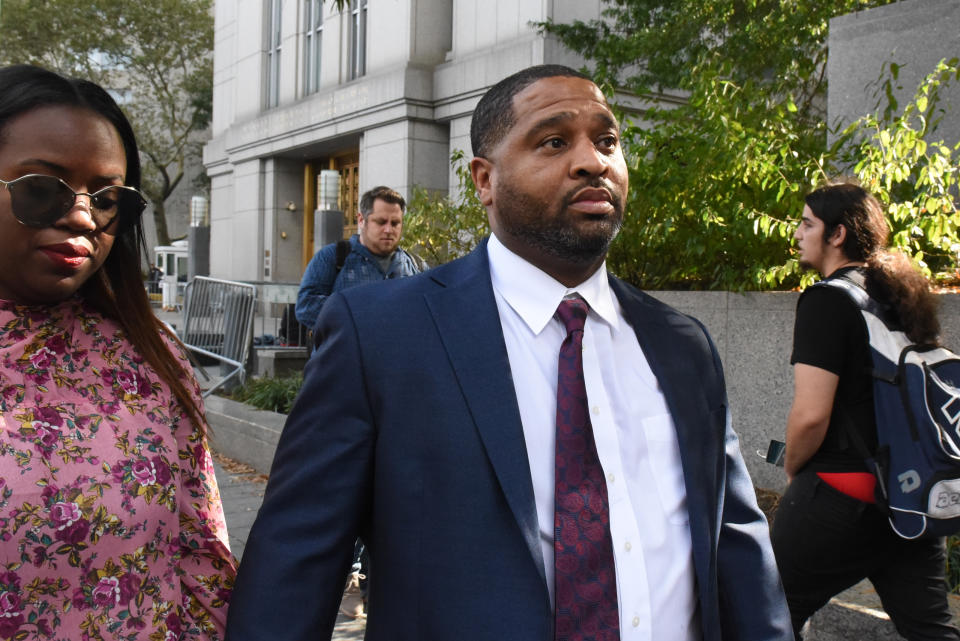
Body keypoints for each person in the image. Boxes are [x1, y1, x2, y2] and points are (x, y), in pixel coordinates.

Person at [227, 64, 790, 641]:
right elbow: (295, 558)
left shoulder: (682, 345)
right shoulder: (381, 336)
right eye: (553, 141)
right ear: (484, 180)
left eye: (608, 141)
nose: (593, 162)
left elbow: (738, 551)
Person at [0, 65, 235, 641]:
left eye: (107, 199)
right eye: (41, 188)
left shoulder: (151, 360)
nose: (82, 216)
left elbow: (202, 563)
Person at [771, 180, 959, 639]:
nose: (797, 233)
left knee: (761, 609)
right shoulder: (895, 295)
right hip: (908, 498)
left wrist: (794, 468)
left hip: (842, 494)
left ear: (836, 235)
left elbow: (812, 414)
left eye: (806, 223)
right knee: (931, 630)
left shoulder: (826, 300)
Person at [294, 185, 421, 333]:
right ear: (361, 220)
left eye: (395, 223)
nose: (388, 230)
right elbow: (305, 307)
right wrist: (361, 312)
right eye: (381, 222)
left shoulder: (413, 264)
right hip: (344, 354)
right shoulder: (332, 257)